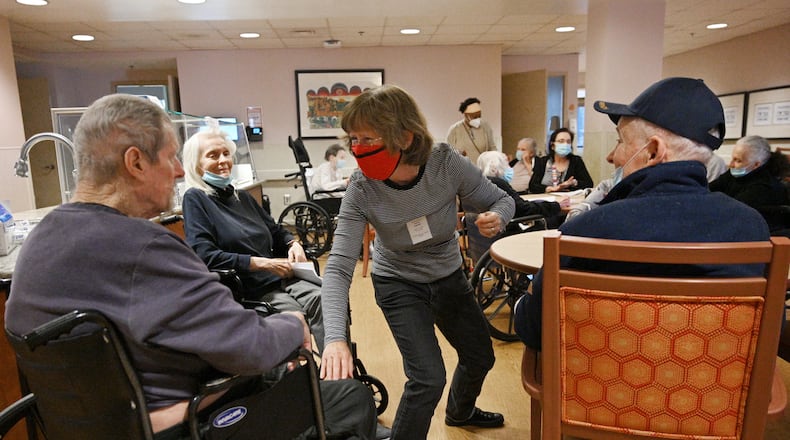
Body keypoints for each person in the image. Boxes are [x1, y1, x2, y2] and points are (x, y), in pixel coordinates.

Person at [5, 94, 377, 440]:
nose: (181, 172)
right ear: (135, 162)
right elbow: (253, 346)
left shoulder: (38, 243)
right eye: (170, 158)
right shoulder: (144, 247)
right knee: (349, 398)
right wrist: (293, 325)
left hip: (94, 427)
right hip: (186, 424)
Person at [514, 77, 772, 351]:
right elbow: (763, 332)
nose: (611, 156)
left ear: (653, 151)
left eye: (620, 142)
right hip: (718, 390)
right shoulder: (751, 229)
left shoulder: (588, 230)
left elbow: (532, 329)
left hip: (599, 389)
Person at [320, 84, 514, 439]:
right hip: (398, 282)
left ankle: (460, 411)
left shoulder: (444, 162)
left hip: (448, 276)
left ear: (405, 137)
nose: (357, 149)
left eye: (367, 139)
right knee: (427, 378)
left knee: (480, 356)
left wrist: (497, 216)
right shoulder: (362, 186)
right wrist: (335, 338)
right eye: (353, 140)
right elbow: (338, 267)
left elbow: (501, 200)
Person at [180, 121, 326, 354]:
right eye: (212, 155)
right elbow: (204, 255)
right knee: (294, 318)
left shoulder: (242, 197)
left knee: (327, 299)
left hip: (283, 277)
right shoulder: (196, 199)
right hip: (252, 288)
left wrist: (293, 242)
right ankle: (306, 381)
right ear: (197, 165)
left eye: (226, 153)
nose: (222, 161)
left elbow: (276, 231)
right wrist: (262, 263)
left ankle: (337, 369)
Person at [709, 135, 789, 232]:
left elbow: (732, 211)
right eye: (733, 158)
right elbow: (709, 188)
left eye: (738, 160)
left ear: (756, 164)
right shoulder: (736, 173)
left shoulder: (765, 187)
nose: (731, 164)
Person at [477, 151, 564, 231]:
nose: (509, 168)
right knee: (556, 219)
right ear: (496, 168)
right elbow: (523, 209)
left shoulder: (477, 184)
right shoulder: (498, 184)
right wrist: (556, 206)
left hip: (482, 239)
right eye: (506, 165)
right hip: (508, 235)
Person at [528, 127, 594, 194]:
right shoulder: (542, 161)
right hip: (545, 201)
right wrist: (550, 189)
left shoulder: (576, 161)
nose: (565, 144)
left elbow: (589, 184)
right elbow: (532, 186)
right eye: (561, 141)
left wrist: (574, 183)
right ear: (552, 145)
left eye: (568, 142)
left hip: (568, 200)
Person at [446, 97, 496, 164]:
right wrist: (458, 154)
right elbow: (447, 153)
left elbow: (492, 148)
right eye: (474, 117)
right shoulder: (454, 129)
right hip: (463, 170)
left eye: (479, 116)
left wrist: (498, 158)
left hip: (482, 170)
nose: (477, 119)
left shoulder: (485, 126)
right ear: (466, 115)